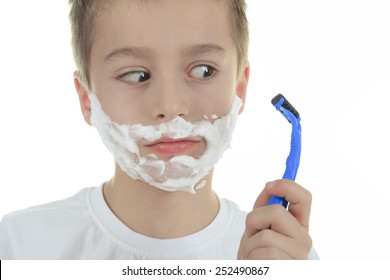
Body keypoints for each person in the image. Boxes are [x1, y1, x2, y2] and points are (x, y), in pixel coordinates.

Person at [0, 0, 318, 260]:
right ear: (87, 99)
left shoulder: (282, 257)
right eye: (136, 75)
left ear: (239, 89)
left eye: (203, 70)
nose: (170, 105)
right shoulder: (20, 246)